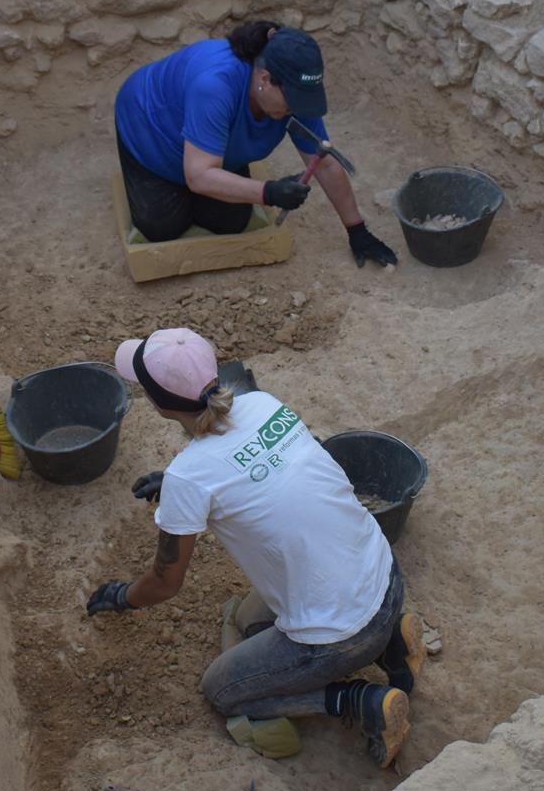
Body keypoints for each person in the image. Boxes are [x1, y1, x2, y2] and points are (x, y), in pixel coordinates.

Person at [84, 327, 423, 767]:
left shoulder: (190, 476)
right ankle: (394, 642)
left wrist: (122, 597)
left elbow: (166, 583)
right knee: (248, 620)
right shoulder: (263, 404)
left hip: (343, 633)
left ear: (157, 402)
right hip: (386, 576)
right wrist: (175, 485)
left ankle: (361, 701)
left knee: (223, 690)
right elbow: (255, 469)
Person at [113, 21, 400, 268]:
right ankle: (165, 178)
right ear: (265, 79)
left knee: (231, 222)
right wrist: (268, 192)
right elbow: (198, 176)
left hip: (209, 149)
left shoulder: (293, 93)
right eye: (292, 101)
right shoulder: (215, 85)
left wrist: (357, 230)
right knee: (162, 227)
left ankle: (212, 176)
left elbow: (325, 164)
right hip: (151, 133)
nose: (297, 109)